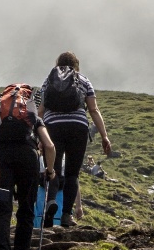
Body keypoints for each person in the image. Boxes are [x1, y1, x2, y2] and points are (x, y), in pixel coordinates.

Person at [0, 83, 57, 250]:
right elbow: (49, 146)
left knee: (1, 209)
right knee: (26, 210)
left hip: (0, 158)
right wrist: (50, 171)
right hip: (28, 159)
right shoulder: (33, 117)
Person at [39, 51, 112, 229]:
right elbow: (94, 110)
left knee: (53, 169)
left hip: (53, 127)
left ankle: (51, 203)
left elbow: (40, 110)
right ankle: (66, 215)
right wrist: (104, 136)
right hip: (78, 127)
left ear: (57, 64)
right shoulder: (84, 80)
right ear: (76, 65)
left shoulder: (48, 81)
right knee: (72, 173)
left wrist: (37, 134)